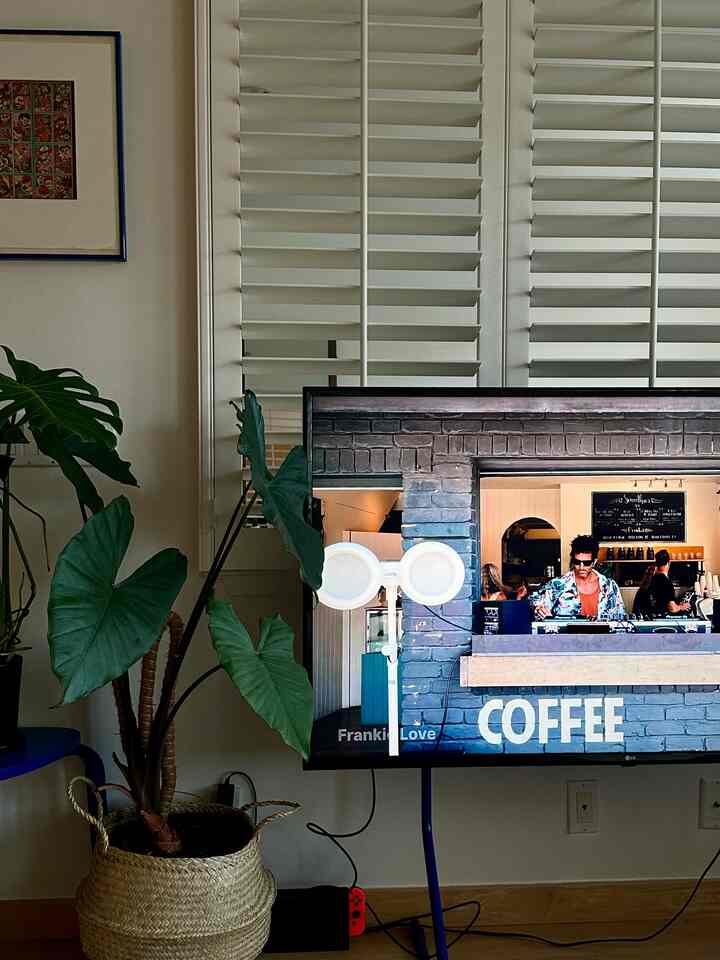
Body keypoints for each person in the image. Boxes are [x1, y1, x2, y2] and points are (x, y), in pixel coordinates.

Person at [530, 534, 626, 621]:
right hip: (567, 639)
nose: (581, 567)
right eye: (577, 562)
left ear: (594, 562)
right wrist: (538, 608)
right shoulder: (559, 584)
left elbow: (621, 618)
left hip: (603, 639)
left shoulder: (609, 586)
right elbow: (533, 601)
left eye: (586, 563)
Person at [648, 550, 691, 616]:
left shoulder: (653, 579)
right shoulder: (666, 582)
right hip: (663, 620)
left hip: (653, 617)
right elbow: (672, 608)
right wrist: (681, 607)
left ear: (656, 563)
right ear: (668, 563)